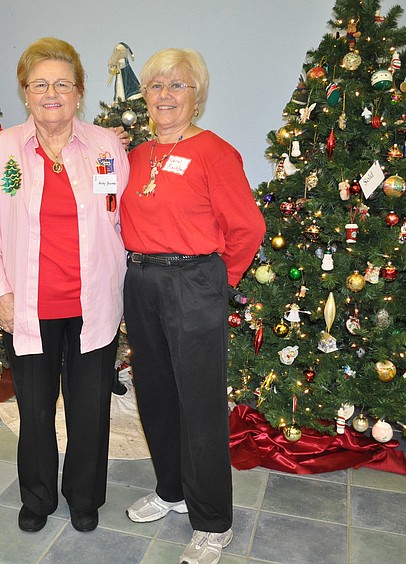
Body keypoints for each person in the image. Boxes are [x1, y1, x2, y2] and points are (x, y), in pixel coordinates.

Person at [0, 37, 129, 534]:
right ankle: (37, 496)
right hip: (28, 307)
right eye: (40, 84)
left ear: (79, 92)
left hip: (92, 304)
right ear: (25, 93)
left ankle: (84, 498)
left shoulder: (105, 146)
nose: (51, 93)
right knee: (35, 412)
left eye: (62, 83)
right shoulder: (4, 149)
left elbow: (127, 221)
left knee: (89, 411)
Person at [120, 48, 265, 564]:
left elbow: (248, 227)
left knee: (199, 402)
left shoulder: (214, 152)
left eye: (177, 86)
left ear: (196, 95)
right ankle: (170, 489)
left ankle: (213, 520)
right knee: (154, 392)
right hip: (139, 280)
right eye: (157, 86)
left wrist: (214, 282)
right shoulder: (136, 154)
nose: (164, 95)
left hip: (193, 281)